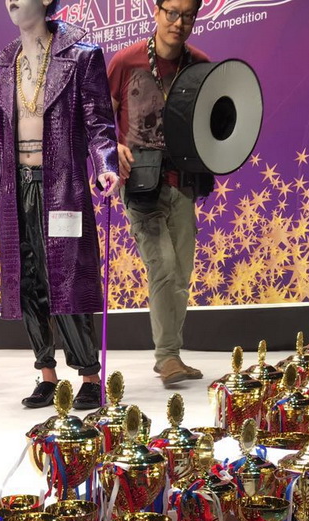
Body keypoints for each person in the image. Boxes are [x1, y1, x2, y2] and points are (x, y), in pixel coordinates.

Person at [0, 0, 119, 411]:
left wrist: (106, 165)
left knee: (67, 278)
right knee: (29, 281)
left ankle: (89, 376)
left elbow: (99, 122)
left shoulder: (81, 56)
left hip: (61, 187)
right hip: (17, 188)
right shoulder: (5, 67)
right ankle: (46, 374)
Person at [107, 0, 209, 389]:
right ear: (156, 11)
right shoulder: (125, 61)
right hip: (140, 184)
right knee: (163, 265)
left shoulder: (200, 65)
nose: (179, 22)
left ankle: (171, 354)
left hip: (182, 182)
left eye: (188, 15)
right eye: (172, 12)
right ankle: (167, 358)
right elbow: (99, 119)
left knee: (180, 271)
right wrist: (113, 148)